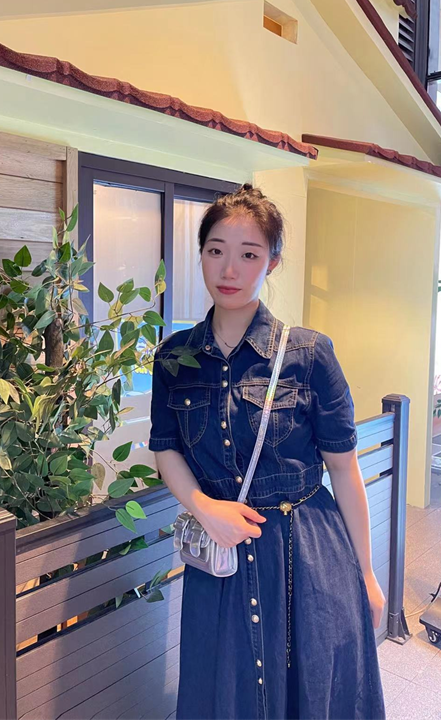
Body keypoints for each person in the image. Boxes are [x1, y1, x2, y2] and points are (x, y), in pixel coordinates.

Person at [147, 183, 387, 720]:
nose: (229, 269)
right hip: (221, 555)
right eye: (216, 250)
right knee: (223, 692)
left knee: (313, 690)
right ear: (201, 254)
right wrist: (205, 509)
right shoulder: (175, 358)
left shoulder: (310, 353)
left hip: (309, 553)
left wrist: (367, 574)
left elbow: (344, 470)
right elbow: (166, 450)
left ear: (272, 262)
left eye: (249, 254)